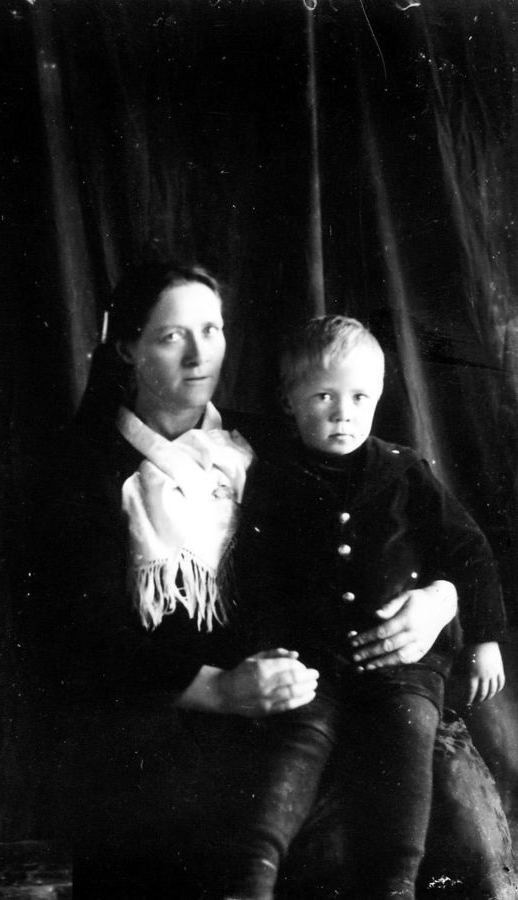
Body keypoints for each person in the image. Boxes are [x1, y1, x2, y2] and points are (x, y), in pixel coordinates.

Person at [36, 266, 460, 899]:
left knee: (455, 832)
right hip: (169, 713)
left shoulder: (274, 437)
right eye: (171, 336)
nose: (198, 355)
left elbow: (395, 535)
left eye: (211, 330)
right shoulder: (83, 469)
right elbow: (80, 642)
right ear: (126, 346)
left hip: (306, 691)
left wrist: (438, 600)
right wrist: (220, 688)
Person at [229, 315, 506, 900]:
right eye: (323, 397)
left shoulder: (405, 470)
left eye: (360, 397)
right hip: (312, 661)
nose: (343, 413)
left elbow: (469, 549)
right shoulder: (272, 476)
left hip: (405, 666)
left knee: (408, 739)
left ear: (379, 396)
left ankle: (395, 882)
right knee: (296, 744)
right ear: (289, 400)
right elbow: (255, 574)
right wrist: (268, 645)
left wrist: (484, 639)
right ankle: (252, 875)